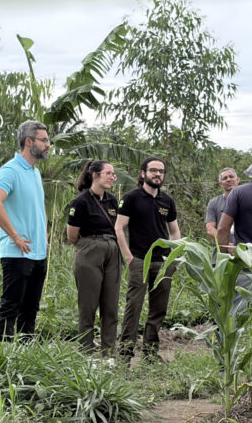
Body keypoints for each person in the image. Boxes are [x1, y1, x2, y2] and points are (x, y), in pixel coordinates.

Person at [0, 120, 50, 340]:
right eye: (44, 140)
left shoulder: (35, 172)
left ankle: (25, 358)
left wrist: (44, 237)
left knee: (30, 309)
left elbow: (39, 207)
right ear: (29, 141)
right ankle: (2, 357)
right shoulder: (9, 170)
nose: (48, 145)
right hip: (17, 252)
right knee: (11, 307)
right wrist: (15, 236)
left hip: (38, 252)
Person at [115, 156, 181, 364]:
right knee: (133, 307)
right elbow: (118, 227)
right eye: (153, 170)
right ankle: (125, 355)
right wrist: (128, 256)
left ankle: (150, 355)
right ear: (143, 173)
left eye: (161, 171)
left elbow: (174, 231)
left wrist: (174, 257)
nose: (157, 174)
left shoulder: (167, 201)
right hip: (140, 260)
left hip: (162, 263)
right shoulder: (132, 197)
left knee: (158, 309)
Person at [67, 161, 121, 357]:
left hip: (112, 250)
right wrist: (91, 248)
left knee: (111, 305)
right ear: (95, 175)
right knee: (88, 306)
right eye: (108, 173)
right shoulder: (80, 202)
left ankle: (108, 353)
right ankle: (86, 353)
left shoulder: (113, 201)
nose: (112, 177)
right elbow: (72, 236)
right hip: (89, 250)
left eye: (113, 174)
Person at [205, 167, 240, 245]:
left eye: (231, 177)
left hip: (245, 251)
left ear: (238, 180)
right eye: (225, 178)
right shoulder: (213, 203)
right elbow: (210, 229)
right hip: (221, 252)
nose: (228, 179)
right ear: (221, 184)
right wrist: (227, 244)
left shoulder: (247, 200)